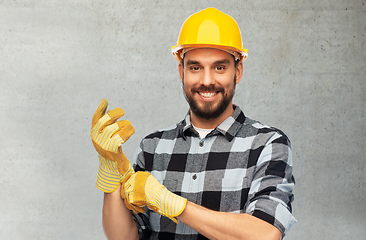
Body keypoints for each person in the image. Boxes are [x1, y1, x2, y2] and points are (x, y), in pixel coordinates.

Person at [90, 7, 296, 240]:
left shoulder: (268, 144)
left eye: (219, 67)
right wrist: (110, 176)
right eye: (195, 67)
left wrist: (174, 204)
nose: (206, 81)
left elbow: (265, 234)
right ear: (182, 72)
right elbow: (123, 238)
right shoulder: (153, 147)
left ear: (237, 71)